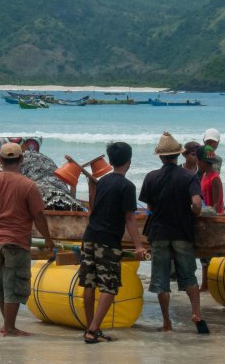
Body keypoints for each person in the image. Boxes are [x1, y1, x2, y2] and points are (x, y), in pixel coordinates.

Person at [0, 143, 55, 337]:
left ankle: (7, 325)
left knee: (2, 284)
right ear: (21, 160)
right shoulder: (28, 185)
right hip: (16, 242)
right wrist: (48, 240)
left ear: (1, 161)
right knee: (14, 285)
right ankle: (10, 328)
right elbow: (39, 216)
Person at [139, 131, 209, 334]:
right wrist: (191, 211)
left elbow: (150, 207)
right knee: (188, 276)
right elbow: (197, 204)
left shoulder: (151, 177)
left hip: (159, 232)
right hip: (182, 232)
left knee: (161, 280)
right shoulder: (188, 176)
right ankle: (196, 313)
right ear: (178, 155)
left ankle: (167, 322)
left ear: (160, 157)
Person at [78, 142, 147, 344]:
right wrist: (139, 246)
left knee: (89, 284)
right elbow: (130, 218)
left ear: (110, 161)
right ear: (129, 162)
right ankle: (92, 330)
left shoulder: (103, 182)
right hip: (107, 241)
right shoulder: (127, 186)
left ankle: (91, 327)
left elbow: (93, 207)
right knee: (109, 286)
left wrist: (92, 186)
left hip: (89, 237)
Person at [195, 144, 224, 292]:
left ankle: (210, 284)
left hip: (213, 219)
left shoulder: (214, 179)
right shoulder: (205, 176)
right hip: (205, 217)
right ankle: (205, 284)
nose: (196, 163)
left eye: (198, 161)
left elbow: (216, 204)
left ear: (202, 161)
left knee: (211, 255)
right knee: (204, 256)